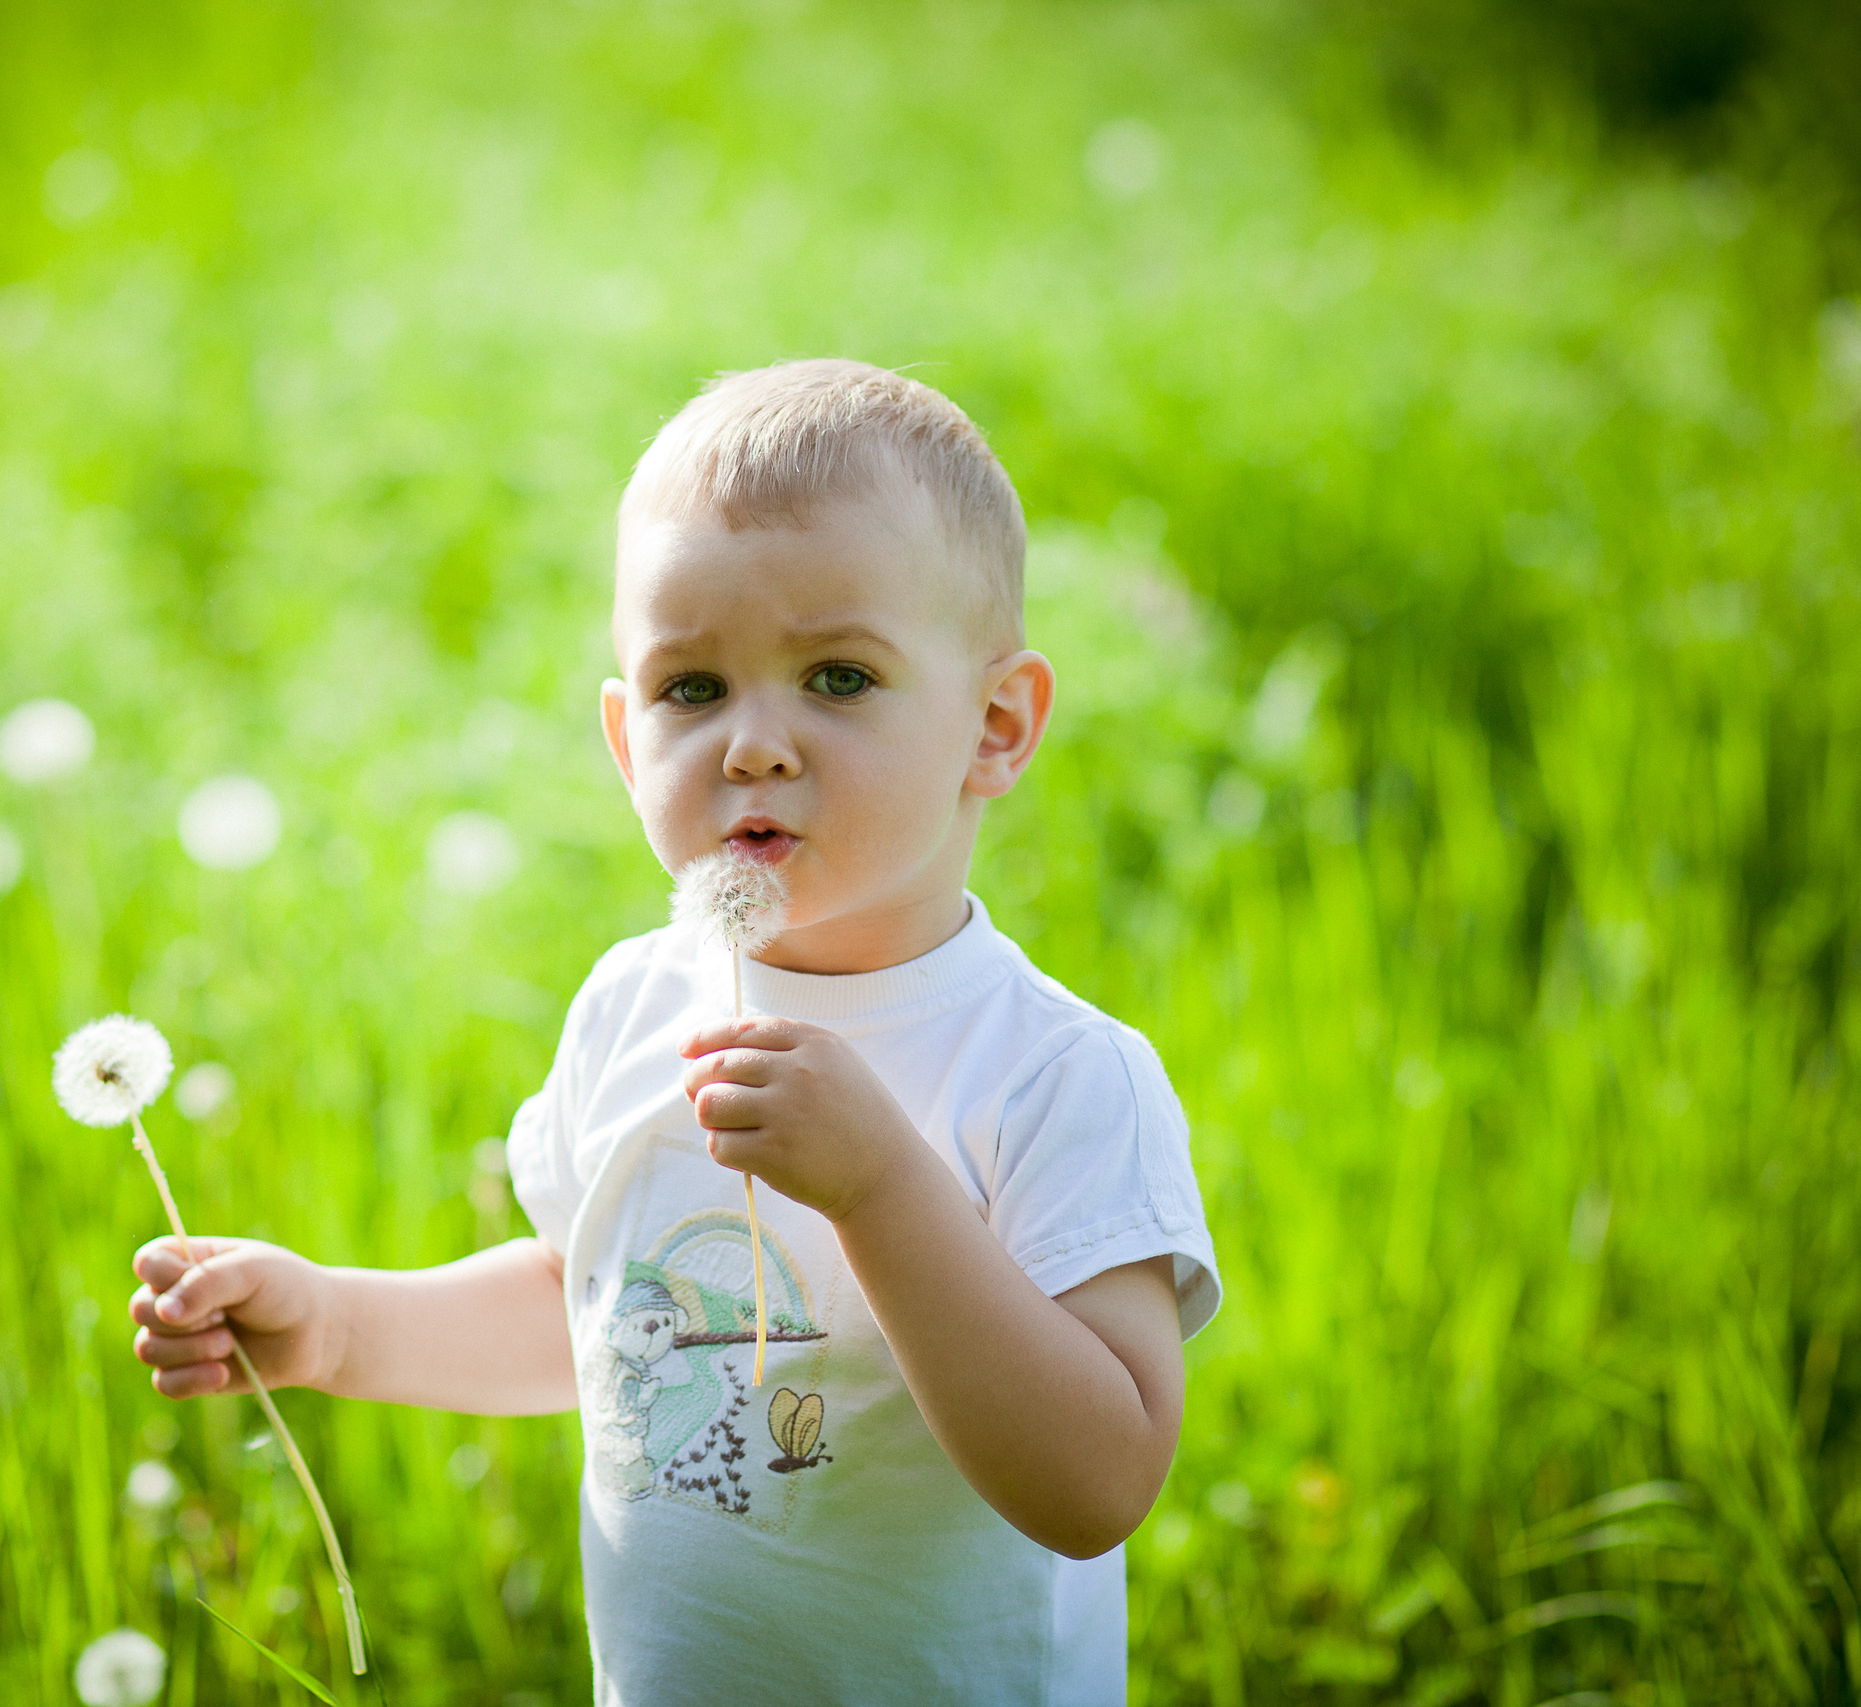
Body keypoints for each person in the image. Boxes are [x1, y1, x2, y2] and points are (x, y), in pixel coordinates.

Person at [129, 359, 1221, 1703]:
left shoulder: (1055, 1074)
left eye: (838, 676)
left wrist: (880, 1187)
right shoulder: (635, 1005)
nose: (754, 744)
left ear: (994, 727)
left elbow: (1096, 1486)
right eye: (692, 689)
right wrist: (338, 1327)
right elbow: (585, 1307)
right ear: (622, 738)